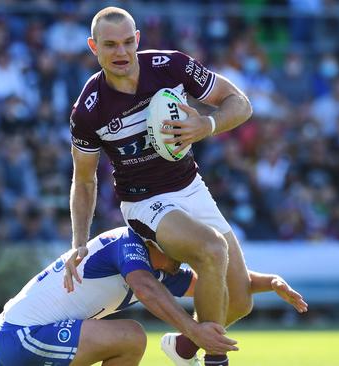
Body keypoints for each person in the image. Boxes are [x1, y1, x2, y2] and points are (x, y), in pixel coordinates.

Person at [66, 7, 253, 365]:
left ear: (137, 39)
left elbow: (240, 103)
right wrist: (78, 241)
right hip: (144, 202)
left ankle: (183, 349)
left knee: (241, 300)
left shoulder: (171, 66)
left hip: (190, 186)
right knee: (211, 249)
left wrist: (206, 125)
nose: (120, 53)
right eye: (110, 45)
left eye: (126, 43)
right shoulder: (88, 110)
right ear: (94, 47)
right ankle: (216, 361)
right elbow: (85, 179)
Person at [0, 227, 307, 366]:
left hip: (13, 336)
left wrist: (271, 283)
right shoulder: (127, 244)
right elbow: (145, 288)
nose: (184, 257)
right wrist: (193, 331)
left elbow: (212, 284)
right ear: (158, 243)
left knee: (128, 338)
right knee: (132, 336)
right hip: (21, 336)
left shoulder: (159, 266)